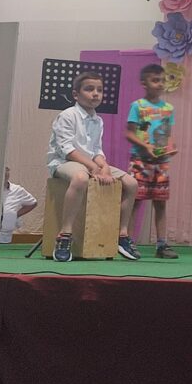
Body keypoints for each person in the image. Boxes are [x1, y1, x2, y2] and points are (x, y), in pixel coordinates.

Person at [45, 71, 140, 262]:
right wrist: (93, 168)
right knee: (80, 178)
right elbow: (67, 150)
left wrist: (104, 166)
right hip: (64, 163)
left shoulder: (98, 120)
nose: (95, 94)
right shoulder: (67, 115)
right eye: (89, 89)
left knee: (131, 183)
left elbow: (96, 150)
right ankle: (65, 235)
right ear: (76, 94)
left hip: (89, 163)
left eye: (99, 90)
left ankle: (121, 235)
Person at [125, 63, 179, 259]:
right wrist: (145, 146)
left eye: (162, 80)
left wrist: (171, 147)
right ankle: (127, 242)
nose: (160, 84)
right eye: (155, 80)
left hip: (161, 162)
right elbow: (129, 133)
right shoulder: (137, 106)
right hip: (140, 160)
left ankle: (162, 245)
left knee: (160, 203)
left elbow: (167, 133)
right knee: (135, 201)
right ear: (144, 83)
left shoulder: (168, 108)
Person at [0, 166, 37, 243]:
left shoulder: (17, 190)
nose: (5, 173)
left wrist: (15, 215)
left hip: (5, 237)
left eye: (6, 170)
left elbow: (32, 203)